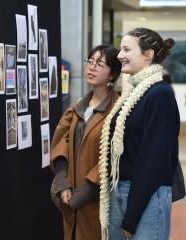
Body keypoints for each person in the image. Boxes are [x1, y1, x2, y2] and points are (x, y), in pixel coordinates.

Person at [98, 27, 180, 240]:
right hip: (118, 189)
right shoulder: (132, 92)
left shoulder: (159, 93)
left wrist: (133, 214)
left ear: (148, 54)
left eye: (126, 49)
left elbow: (154, 158)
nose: (119, 56)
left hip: (147, 194)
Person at [50, 44, 122, 240]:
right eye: (90, 61)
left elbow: (112, 158)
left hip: (96, 200)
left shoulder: (118, 111)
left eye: (99, 63)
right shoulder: (78, 107)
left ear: (112, 74)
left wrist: (81, 194)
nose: (91, 67)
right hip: (70, 197)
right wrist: (63, 184)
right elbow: (61, 144)